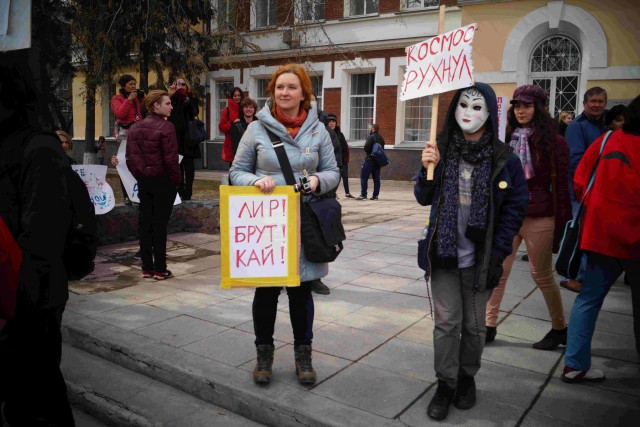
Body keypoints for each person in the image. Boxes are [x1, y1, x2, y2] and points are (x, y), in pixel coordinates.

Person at [414, 83, 528, 421]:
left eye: (477, 107)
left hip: (481, 259)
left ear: (491, 113)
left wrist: (500, 251)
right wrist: (426, 168)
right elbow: (422, 196)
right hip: (445, 255)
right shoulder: (442, 149)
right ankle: (445, 383)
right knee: (447, 324)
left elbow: (516, 207)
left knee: (475, 327)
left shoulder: (505, 158)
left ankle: (466, 378)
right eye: (463, 105)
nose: (468, 112)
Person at [230, 64, 340, 386]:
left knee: (301, 291)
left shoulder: (319, 130)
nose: (284, 93)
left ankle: (303, 355)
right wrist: (255, 181)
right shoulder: (256, 129)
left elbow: (333, 171)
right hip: (266, 223)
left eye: (291, 87)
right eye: (279, 87)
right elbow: (236, 171)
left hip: (303, 222)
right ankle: (264, 354)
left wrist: (318, 180)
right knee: (265, 292)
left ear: (304, 92)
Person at [0, 50, 76, 426]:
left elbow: (42, 242)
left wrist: (19, 312)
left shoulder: (38, 150)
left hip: (28, 306)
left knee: (37, 400)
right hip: (15, 300)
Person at [484, 85, 572, 349]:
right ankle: (488, 327)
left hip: (540, 215)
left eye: (528, 105)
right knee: (498, 272)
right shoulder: (505, 137)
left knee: (542, 275)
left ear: (539, 108)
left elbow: (561, 186)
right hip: (509, 214)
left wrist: (562, 226)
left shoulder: (555, 142)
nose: (521, 110)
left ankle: (559, 329)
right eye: (517, 105)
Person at [562, 95, 640, 383]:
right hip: (634, 240)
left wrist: (596, 211)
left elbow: (580, 180)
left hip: (601, 236)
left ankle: (574, 365)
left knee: (588, 299)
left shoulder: (607, 140)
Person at [126, 90, 181, 281]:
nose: (171, 106)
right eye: (167, 103)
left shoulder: (134, 128)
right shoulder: (167, 127)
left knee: (145, 223)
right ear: (156, 106)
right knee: (159, 226)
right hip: (163, 181)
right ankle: (160, 269)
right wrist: (176, 181)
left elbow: (130, 159)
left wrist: (141, 175)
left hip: (144, 182)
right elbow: (171, 160)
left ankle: (146, 268)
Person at [563, 87, 608, 292]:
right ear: (584, 103)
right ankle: (571, 275)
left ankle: (585, 274)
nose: (597, 105)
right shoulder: (577, 126)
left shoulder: (606, 126)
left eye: (600, 101)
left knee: (592, 234)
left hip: (601, 190)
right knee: (578, 232)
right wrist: (582, 190)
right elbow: (575, 160)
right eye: (593, 101)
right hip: (582, 190)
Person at [111, 74, 144, 205]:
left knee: (139, 163)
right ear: (123, 86)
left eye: (135, 83)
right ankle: (126, 195)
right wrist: (129, 99)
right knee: (124, 163)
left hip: (138, 133)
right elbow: (119, 114)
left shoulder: (138, 98)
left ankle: (137, 193)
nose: (134, 86)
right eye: (130, 84)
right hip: (124, 134)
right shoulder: (116, 98)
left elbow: (144, 112)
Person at [168, 77, 200, 200]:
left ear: (187, 86)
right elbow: (168, 114)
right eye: (177, 84)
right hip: (175, 137)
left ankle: (188, 191)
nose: (180, 86)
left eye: (183, 84)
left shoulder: (191, 99)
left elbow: (194, 112)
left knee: (189, 165)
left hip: (189, 137)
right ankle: (179, 189)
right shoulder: (171, 100)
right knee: (178, 165)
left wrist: (186, 98)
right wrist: (171, 96)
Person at [356, 123, 385, 200]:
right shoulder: (381, 138)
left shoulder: (371, 137)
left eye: (370, 128)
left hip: (370, 160)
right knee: (376, 179)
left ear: (372, 129)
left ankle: (363, 195)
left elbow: (366, 148)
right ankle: (375, 196)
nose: (369, 129)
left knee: (364, 177)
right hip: (378, 161)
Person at [327, 113, 352, 198]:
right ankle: (331, 193)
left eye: (333, 121)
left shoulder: (340, 134)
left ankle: (346, 193)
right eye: (330, 121)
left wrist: (343, 158)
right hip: (329, 161)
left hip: (340, 160)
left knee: (342, 177)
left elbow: (344, 147)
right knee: (332, 178)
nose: (331, 123)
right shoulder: (325, 133)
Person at [219, 86, 244, 165]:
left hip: (245, 144)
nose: (237, 97)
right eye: (235, 95)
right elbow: (222, 127)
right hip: (232, 145)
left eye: (239, 95)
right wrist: (232, 123)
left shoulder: (245, 108)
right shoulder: (226, 110)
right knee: (233, 171)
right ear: (231, 97)